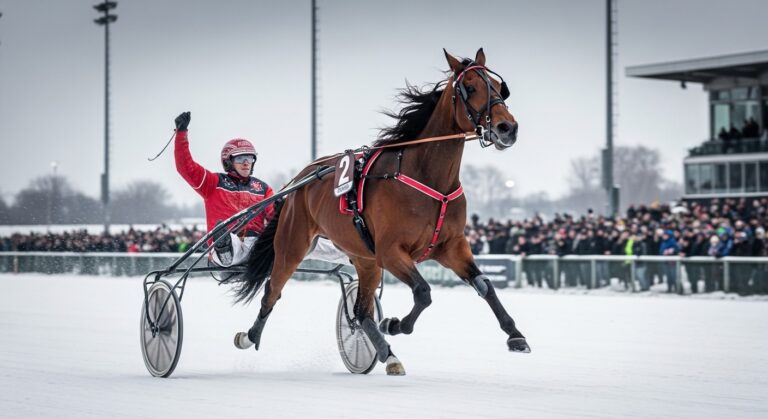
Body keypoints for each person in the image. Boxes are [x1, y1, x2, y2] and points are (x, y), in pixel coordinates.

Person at [173, 111, 346, 267]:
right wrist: (181, 134)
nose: (246, 162)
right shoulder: (212, 182)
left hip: (257, 245)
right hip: (230, 243)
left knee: (304, 237)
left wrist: (282, 210)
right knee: (229, 239)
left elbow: (274, 218)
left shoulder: (262, 188)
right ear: (228, 162)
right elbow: (185, 167)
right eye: (240, 159)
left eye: (249, 158)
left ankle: (353, 254)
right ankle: (223, 247)